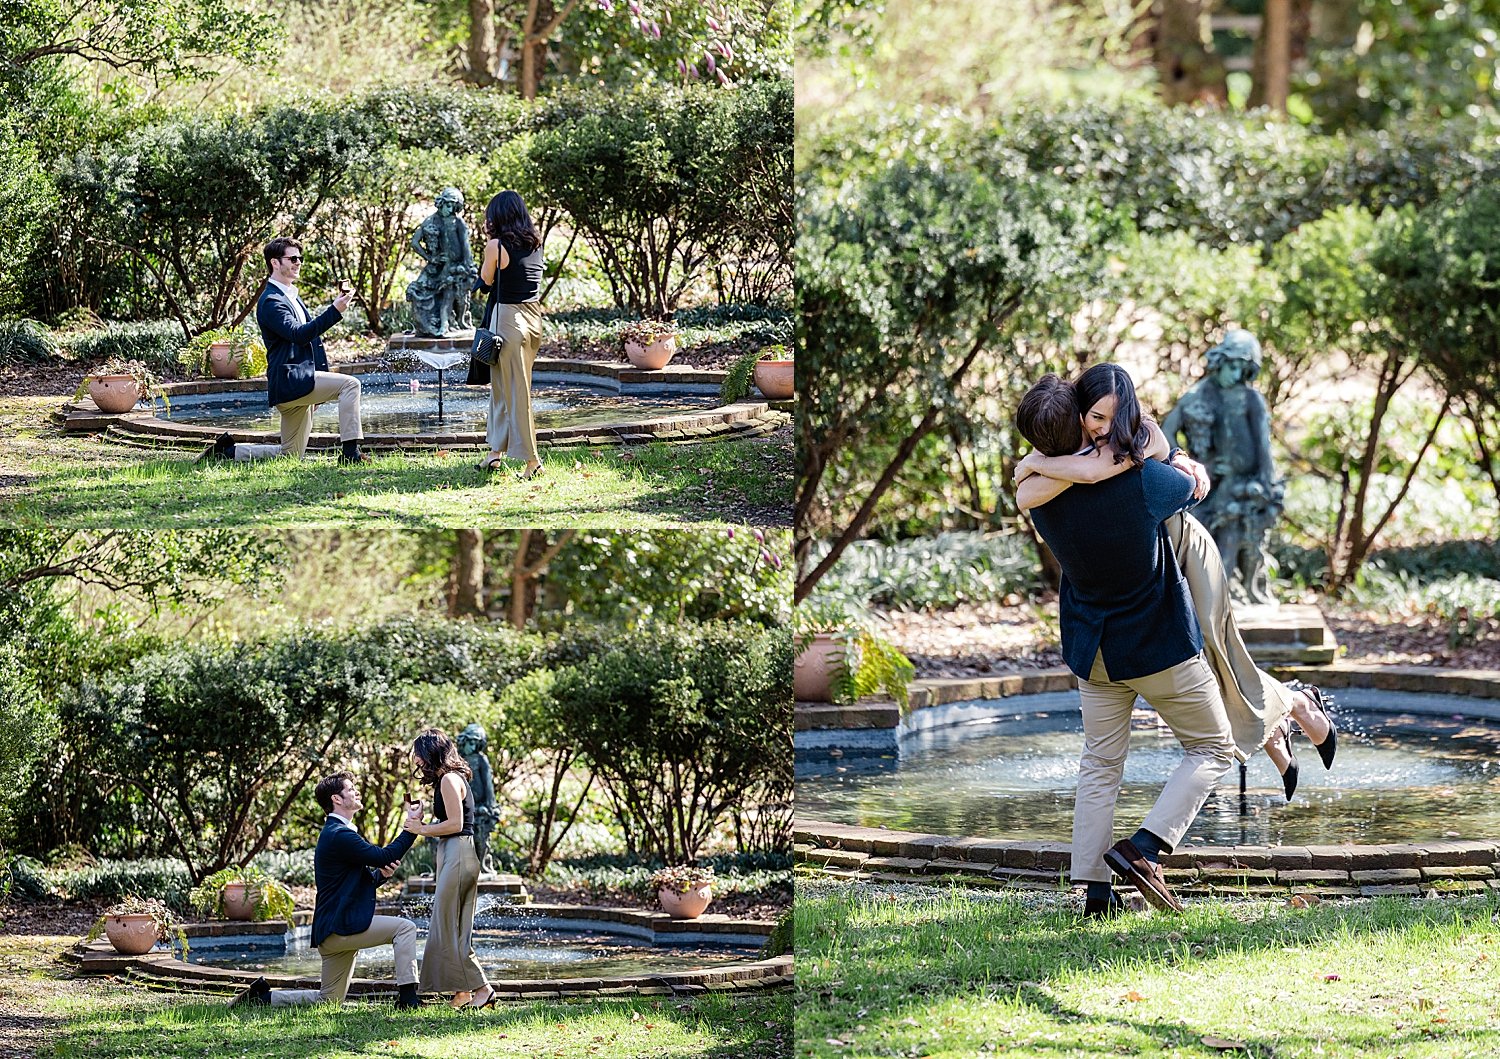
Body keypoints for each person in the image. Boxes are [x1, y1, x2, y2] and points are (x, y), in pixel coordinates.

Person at [1014, 374, 1336, 800]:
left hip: (1184, 546)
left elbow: (1093, 473)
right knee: (1204, 661)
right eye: (1094, 417)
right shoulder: (1072, 451)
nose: (1103, 429)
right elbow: (1046, 488)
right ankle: (1285, 719)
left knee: (1217, 649)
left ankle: (1292, 709)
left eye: (1111, 418)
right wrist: (1037, 465)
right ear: (1077, 411)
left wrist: (1033, 465)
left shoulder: (1135, 435)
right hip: (1152, 549)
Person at [1014, 364, 1235, 917]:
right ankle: (1145, 847)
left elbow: (1068, 478)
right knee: (1214, 748)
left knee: (1100, 766)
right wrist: (1169, 452)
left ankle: (1094, 893)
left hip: (1094, 652)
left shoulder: (1038, 497)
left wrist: (1044, 461)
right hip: (1160, 644)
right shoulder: (1146, 481)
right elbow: (1190, 484)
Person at [231, 771, 421, 1008]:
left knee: (329, 1001)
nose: (356, 792)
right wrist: (412, 827)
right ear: (337, 799)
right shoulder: (338, 834)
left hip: (331, 931)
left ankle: (261, 998)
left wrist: (380, 875)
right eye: (351, 789)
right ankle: (408, 999)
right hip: (340, 928)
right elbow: (386, 855)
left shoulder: (338, 833)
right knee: (405, 928)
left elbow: (351, 886)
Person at [201, 237, 370, 465]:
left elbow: (311, 341)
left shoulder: (290, 295)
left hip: (299, 381)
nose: (298, 262)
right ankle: (351, 454)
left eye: (299, 258)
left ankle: (228, 452)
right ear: (275, 263)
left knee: (290, 455)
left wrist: (318, 384)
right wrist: (334, 311)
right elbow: (299, 334)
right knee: (351, 384)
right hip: (290, 382)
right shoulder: (271, 300)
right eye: (292, 258)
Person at [407, 728, 494, 1010]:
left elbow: (456, 824)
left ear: (431, 752)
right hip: (456, 851)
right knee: (452, 926)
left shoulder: (448, 778)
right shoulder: (451, 778)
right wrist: (423, 820)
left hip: (457, 850)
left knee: (448, 926)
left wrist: (422, 829)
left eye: (419, 754)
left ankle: (482, 989)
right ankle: (462, 992)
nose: (417, 760)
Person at [467, 191, 544, 481]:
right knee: (502, 388)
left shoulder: (496, 246)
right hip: (533, 318)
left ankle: (532, 461)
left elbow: (486, 282)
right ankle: (495, 454)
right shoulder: (535, 243)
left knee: (516, 393)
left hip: (508, 320)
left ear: (498, 216)